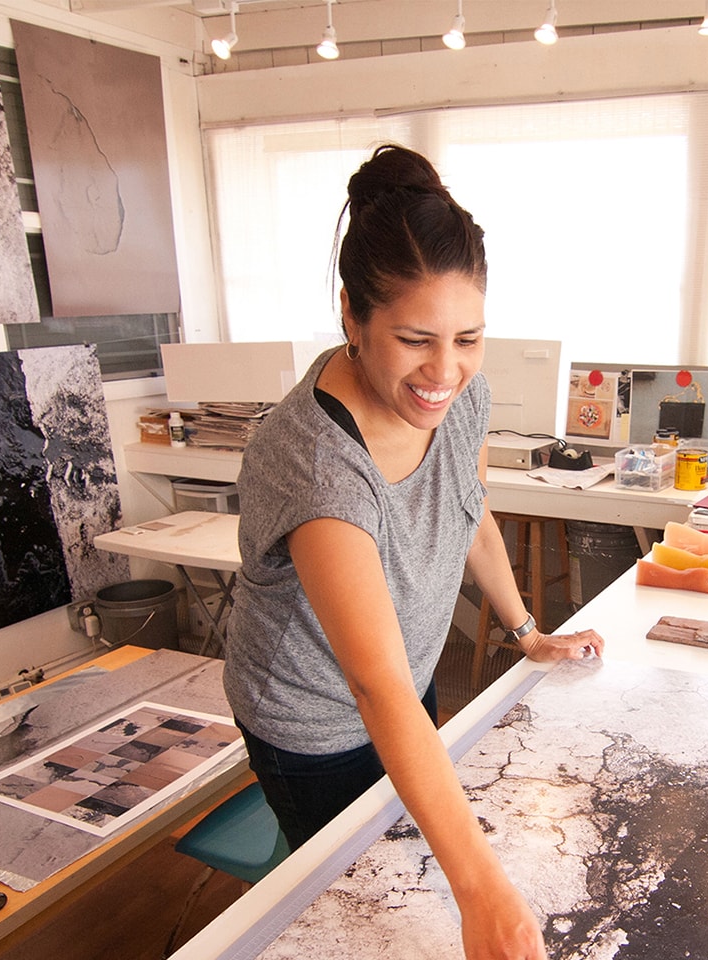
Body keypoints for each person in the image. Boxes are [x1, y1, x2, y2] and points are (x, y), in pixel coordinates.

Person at [224, 143, 606, 960]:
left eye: (469, 338)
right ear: (351, 318)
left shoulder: (460, 399)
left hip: (406, 677)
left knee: (418, 856)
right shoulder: (316, 461)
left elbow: (470, 514)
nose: (446, 370)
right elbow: (373, 683)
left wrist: (525, 629)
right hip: (314, 720)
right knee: (370, 913)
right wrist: (487, 896)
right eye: (414, 339)